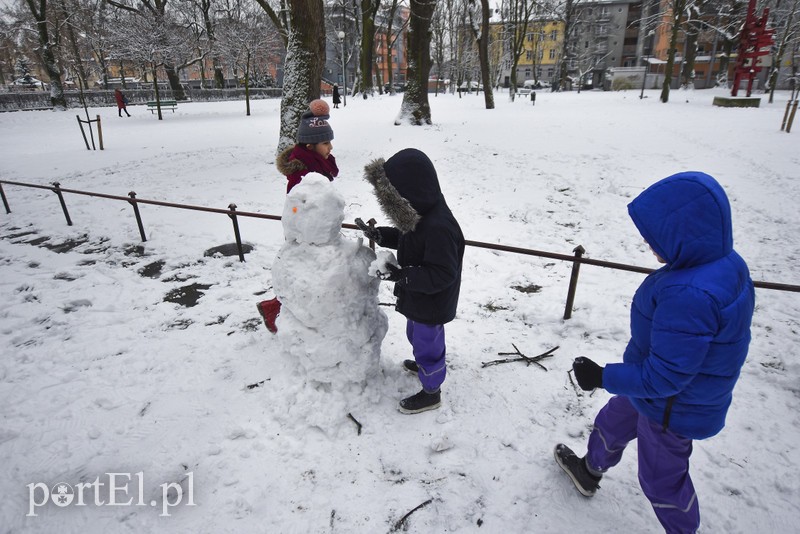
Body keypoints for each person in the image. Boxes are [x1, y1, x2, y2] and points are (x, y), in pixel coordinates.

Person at [555, 171, 755, 533]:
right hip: (652, 391)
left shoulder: (690, 295)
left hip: (671, 407)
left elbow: (667, 376)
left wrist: (602, 376)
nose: (649, 245)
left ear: (684, 233)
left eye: (654, 237)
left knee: (661, 481)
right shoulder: (721, 263)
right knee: (610, 423)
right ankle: (589, 470)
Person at [357, 148, 465, 414]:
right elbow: (407, 237)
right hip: (418, 294)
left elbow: (442, 273)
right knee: (415, 335)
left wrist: (401, 275)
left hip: (432, 300)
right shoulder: (419, 213)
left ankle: (432, 390)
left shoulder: (439, 227)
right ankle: (425, 365)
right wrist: (380, 235)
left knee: (428, 342)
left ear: (412, 192)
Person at [256, 99, 338, 333]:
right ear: (311, 145)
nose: (330, 147)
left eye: (330, 141)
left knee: (305, 278)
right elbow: (297, 208)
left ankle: (277, 310)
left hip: (315, 234)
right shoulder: (302, 173)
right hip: (306, 236)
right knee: (304, 278)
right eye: (325, 142)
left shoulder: (317, 163)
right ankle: (276, 312)